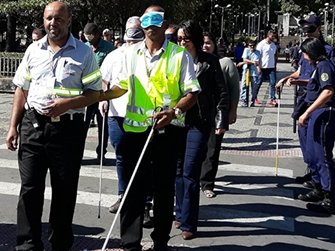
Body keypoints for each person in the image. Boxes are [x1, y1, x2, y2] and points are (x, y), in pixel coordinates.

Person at [4, 2, 102, 250]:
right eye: (49, 18)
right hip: (33, 126)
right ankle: (27, 245)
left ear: (69, 21)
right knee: (29, 189)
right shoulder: (33, 50)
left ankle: (60, 244)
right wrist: (13, 126)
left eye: (58, 19)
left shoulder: (84, 53)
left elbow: (95, 93)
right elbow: (21, 89)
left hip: (67, 130)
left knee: (64, 190)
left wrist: (68, 104)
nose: (53, 23)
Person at [102, 6, 200, 251]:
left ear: (164, 24)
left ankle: (160, 242)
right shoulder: (130, 53)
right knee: (134, 188)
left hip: (168, 131)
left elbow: (192, 92)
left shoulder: (179, 55)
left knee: (164, 190)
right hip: (135, 131)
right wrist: (98, 96)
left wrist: (175, 112)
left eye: (155, 20)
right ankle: (130, 243)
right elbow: (121, 87)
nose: (150, 25)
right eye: (146, 20)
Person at [174, 21, 229, 240]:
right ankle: (180, 212)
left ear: (195, 39)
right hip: (176, 120)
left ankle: (189, 222)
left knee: (190, 170)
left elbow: (221, 92)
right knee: (177, 171)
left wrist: (221, 119)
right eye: (178, 38)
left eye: (185, 38)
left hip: (199, 121)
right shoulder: (173, 58)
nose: (181, 42)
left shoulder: (209, 61)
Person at [280, 37, 335, 214]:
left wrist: (307, 112)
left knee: (322, 156)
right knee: (314, 155)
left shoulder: (324, 66)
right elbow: (316, 86)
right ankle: (319, 189)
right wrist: (296, 82)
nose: (304, 57)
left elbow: (328, 91)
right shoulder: (318, 67)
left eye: (305, 53)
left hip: (326, 112)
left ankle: (329, 199)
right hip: (318, 113)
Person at [276, 14, 335, 188]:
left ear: (319, 29)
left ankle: (321, 183)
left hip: (318, 100)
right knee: (305, 140)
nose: (307, 32)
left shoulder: (326, 51)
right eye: (304, 29)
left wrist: (298, 81)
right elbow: (301, 71)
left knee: (317, 144)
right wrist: (286, 78)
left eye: (310, 28)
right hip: (304, 96)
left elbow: (322, 79)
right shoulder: (306, 48)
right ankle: (312, 173)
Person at [98, 16, 146, 217]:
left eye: (135, 41)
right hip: (116, 114)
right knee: (121, 157)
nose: (131, 45)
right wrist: (103, 99)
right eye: (128, 41)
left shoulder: (148, 57)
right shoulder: (114, 56)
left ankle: (145, 204)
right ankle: (123, 194)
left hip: (142, 115)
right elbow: (104, 79)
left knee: (143, 160)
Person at [200, 32, 240, 199]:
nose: (205, 46)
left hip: (216, 112)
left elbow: (233, 90)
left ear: (215, 45)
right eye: (202, 43)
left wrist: (231, 111)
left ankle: (208, 183)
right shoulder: (191, 61)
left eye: (209, 43)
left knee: (212, 149)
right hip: (195, 112)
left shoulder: (224, 63)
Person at [83, 22, 114, 163]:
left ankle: (101, 153)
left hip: (102, 94)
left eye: (90, 36)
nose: (88, 39)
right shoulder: (84, 48)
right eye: (86, 36)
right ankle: (78, 153)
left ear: (97, 35)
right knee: (82, 125)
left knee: (103, 126)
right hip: (86, 93)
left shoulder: (108, 48)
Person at [256, 30, 278, 107]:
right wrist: (258, 67)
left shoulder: (273, 45)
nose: (273, 37)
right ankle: (254, 97)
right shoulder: (261, 44)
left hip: (271, 67)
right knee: (259, 83)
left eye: (274, 36)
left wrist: (275, 66)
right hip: (262, 67)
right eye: (272, 36)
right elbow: (257, 57)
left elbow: (275, 56)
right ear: (268, 35)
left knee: (272, 83)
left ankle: (273, 99)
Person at [238, 41, 262, 107]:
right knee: (243, 86)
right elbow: (245, 59)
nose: (252, 47)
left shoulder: (258, 52)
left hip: (254, 72)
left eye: (253, 46)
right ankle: (244, 101)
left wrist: (246, 62)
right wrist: (251, 62)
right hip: (246, 71)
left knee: (254, 88)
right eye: (250, 45)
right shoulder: (246, 50)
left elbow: (256, 62)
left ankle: (252, 101)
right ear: (248, 46)